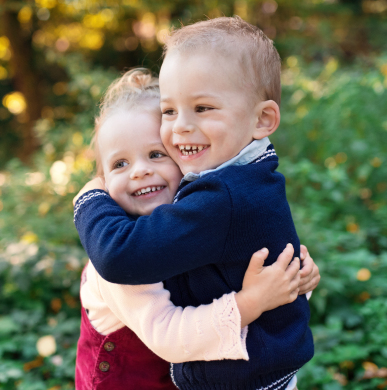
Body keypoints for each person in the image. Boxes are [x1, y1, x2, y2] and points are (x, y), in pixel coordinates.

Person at [75, 17, 317, 390]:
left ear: (262, 119)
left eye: (202, 108)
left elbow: (121, 253)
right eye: (170, 112)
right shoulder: (247, 173)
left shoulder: (222, 196)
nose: (182, 127)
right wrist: (289, 279)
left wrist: (87, 199)